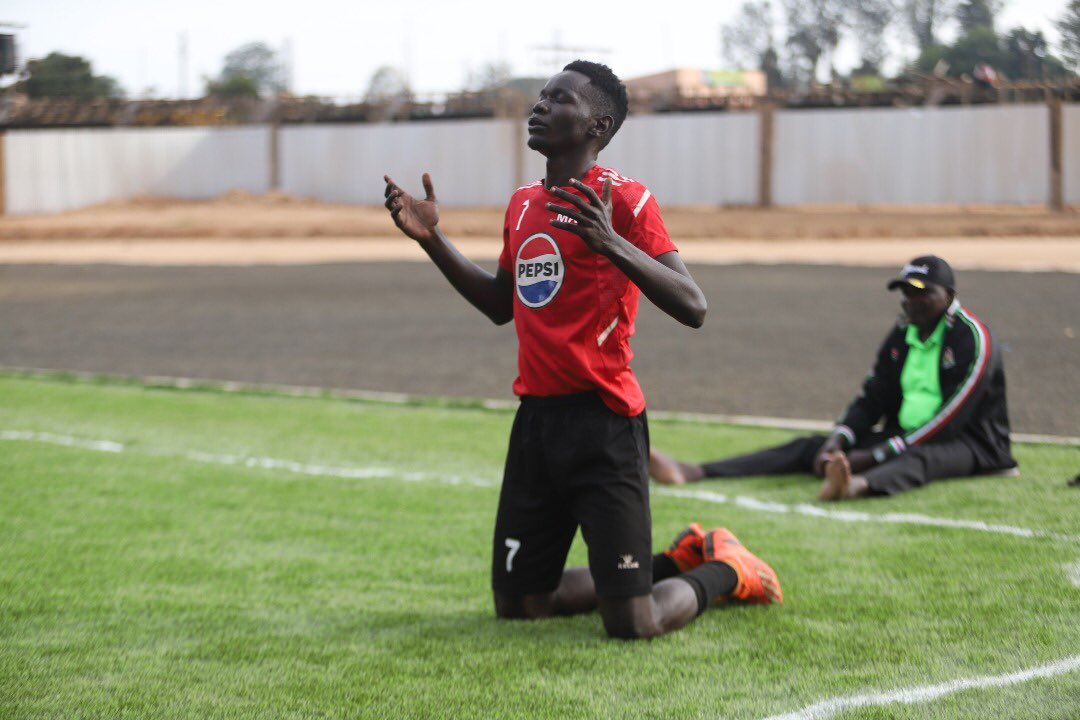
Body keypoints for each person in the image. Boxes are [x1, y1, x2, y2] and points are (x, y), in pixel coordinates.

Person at [383, 61, 781, 640]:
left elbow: (693, 305)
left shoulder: (627, 200)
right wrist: (431, 240)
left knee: (633, 623)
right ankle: (671, 562)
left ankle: (726, 570)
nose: (540, 106)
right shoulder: (522, 205)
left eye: (560, 98)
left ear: (598, 125)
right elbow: (500, 305)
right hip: (537, 425)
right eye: (541, 96)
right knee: (521, 605)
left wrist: (610, 242)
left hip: (604, 424)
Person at [649, 256, 1018, 501]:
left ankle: (852, 486)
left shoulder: (972, 337)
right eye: (906, 292)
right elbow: (873, 395)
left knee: (918, 459)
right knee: (811, 446)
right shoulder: (904, 331)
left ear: (949, 296)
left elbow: (951, 418)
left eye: (922, 292)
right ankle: (696, 470)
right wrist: (841, 438)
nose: (911, 300)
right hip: (904, 434)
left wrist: (879, 452)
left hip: (971, 443)